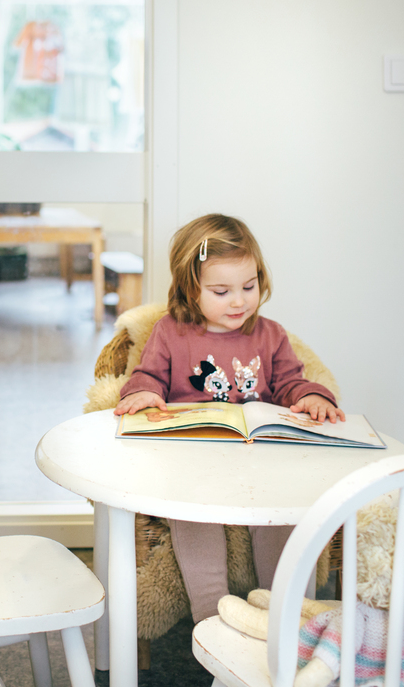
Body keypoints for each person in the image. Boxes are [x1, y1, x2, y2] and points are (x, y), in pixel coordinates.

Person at [113, 213, 345, 623]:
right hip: (195, 466)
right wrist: (145, 391)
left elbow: (292, 381)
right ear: (190, 288)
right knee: (193, 517)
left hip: (259, 462)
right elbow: (146, 375)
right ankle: (213, 619)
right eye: (221, 291)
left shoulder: (270, 335)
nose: (239, 301)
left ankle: (287, 616)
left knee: (282, 516)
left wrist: (310, 395)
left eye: (249, 286)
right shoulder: (170, 332)